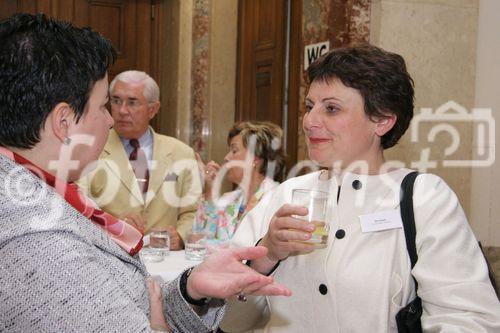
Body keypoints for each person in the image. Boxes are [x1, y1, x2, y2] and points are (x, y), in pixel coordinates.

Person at [0, 13, 290, 332]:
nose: (112, 119)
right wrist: (158, 325)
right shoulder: (44, 243)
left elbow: (123, 302)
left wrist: (189, 289)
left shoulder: (33, 190)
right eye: (103, 106)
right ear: (64, 121)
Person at [221, 45, 500, 332]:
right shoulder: (281, 196)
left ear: (382, 120)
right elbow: (227, 322)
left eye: (331, 108)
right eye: (308, 107)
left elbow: (469, 319)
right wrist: (266, 255)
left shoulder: (423, 198)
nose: (309, 121)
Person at [78, 70, 199, 250]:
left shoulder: (181, 153)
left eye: (132, 102)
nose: (122, 110)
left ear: (153, 109)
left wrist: (180, 236)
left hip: (166, 262)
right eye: (116, 101)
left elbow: (193, 212)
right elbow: (77, 207)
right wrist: (112, 227)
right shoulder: (89, 148)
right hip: (111, 258)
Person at [195, 121, 285, 248]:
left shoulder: (276, 197)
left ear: (255, 158)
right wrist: (211, 187)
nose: (226, 157)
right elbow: (200, 238)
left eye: (234, 150)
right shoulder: (231, 199)